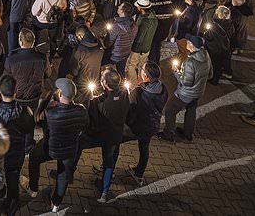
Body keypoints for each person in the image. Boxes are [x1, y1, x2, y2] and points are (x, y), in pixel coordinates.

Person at [26, 78, 89, 212]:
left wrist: (47, 99)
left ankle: (33, 188)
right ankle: (56, 204)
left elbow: (38, 119)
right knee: (63, 174)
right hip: (70, 149)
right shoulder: (82, 111)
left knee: (33, 156)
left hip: (51, 148)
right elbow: (85, 126)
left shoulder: (51, 112)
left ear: (59, 93)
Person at [0, 74, 34, 215]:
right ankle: (12, 203)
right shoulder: (26, 112)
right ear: (15, 93)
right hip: (17, 156)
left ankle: (9, 204)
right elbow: (28, 137)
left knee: (2, 181)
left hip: (0, 157)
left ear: (0, 93)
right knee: (13, 181)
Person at [88, 67, 131, 202]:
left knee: (108, 162)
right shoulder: (124, 94)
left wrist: (92, 100)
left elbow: (93, 119)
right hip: (119, 133)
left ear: (105, 84)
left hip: (107, 136)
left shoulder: (100, 103)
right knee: (113, 155)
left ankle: (104, 192)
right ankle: (109, 175)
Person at [159, 35, 210, 142]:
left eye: (188, 42)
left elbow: (186, 82)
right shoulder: (206, 56)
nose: (186, 43)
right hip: (199, 92)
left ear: (191, 46)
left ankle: (168, 134)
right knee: (191, 110)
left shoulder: (190, 62)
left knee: (170, 111)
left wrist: (176, 71)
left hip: (186, 94)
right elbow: (210, 75)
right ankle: (187, 134)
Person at [127, 61, 167, 184]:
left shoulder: (139, 92)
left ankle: (108, 170)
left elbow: (131, 111)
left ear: (146, 75)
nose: (140, 70)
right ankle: (139, 174)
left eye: (142, 69)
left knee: (115, 143)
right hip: (153, 125)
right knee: (144, 148)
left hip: (138, 126)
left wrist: (130, 96)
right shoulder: (162, 88)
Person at [5, 27, 48, 106]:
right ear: (33, 42)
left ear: (21, 42)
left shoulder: (11, 59)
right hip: (36, 96)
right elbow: (48, 74)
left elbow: (6, 80)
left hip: (17, 97)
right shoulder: (42, 57)